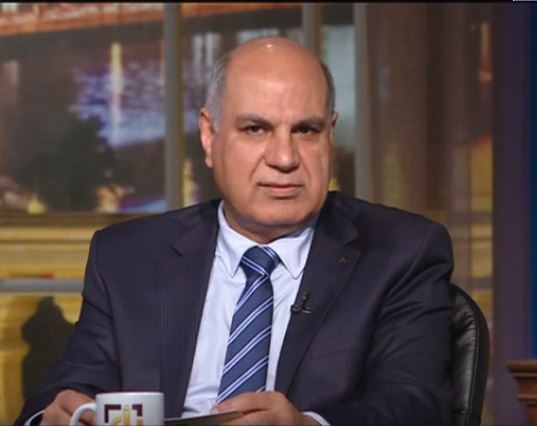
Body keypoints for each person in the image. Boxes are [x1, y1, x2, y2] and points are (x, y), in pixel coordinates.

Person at [15, 36, 454, 426]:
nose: (285, 158)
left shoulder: (401, 252)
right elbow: (60, 396)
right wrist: (54, 418)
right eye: (256, 128)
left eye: (306, 130)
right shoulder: (128, 258)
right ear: (209, 136)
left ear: (330, 137)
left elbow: (415, 405)